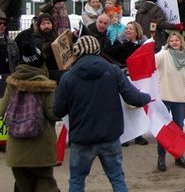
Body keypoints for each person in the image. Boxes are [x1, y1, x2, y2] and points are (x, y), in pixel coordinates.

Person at [53, 35, 151, 192]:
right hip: (109, 136)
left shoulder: (68, 77)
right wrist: (147, 96)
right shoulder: (113, 71)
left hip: (82, 138)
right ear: (97, 50)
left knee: (77, 181)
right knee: (117, 179)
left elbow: (58, 111)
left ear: (77, 53)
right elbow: (134, 98)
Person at [0, 45, 59, 191]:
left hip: (16, 150)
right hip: (41, 150)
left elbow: (1, 109)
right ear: (41, 64)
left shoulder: (11, 83)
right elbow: (53, 113)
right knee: (46, 185)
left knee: (23, 186)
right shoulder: (47, 85)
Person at [155, 31, 185, 171]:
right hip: (164, 98)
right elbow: (152, 62)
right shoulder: (163, 55)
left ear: (181, 42)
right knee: (163, 130)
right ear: (168, 43)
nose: (174, 42)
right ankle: (161, 157)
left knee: (179, 129)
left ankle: (178, 156)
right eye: (172, 41)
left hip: (179, 99)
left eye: (177, 40)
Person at [15, 14, 58, 79]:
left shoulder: (56, 37)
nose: (46, 26)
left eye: (48, 23)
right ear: (39, 26)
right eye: (43, 24)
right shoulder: (35, 41)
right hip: (43, 76)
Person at [0, 9, 20, 76]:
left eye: (4, 24)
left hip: (8, 80)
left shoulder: (12, 43)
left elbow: (17, 63)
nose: (2, 25)